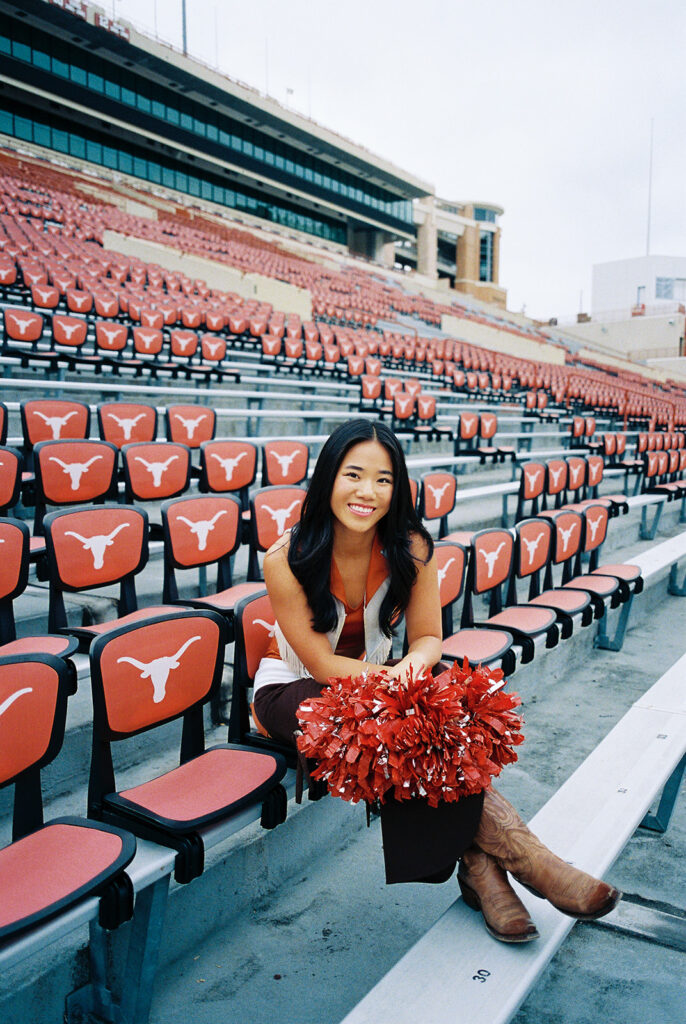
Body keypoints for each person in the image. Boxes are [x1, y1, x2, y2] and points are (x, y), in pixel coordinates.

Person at [252, 419, 620, 943]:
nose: (368, 492)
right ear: (328, 477)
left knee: (448, 713)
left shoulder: (412, 547)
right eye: (353, 475)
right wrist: (397, 686)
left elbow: (428, 637)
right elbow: (320, 665)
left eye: (383, 480)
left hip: (378, 682)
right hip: (294, 689)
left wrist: (410, 671)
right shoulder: (285, 557)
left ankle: (484, 868)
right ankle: (527, 860)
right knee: (398, 721)